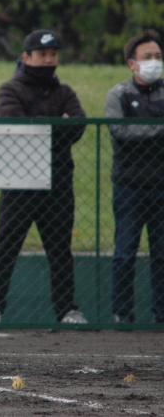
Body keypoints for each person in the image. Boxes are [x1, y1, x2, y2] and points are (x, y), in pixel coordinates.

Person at [0, 29, 87, 324]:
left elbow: (78, 124)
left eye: (53, 54)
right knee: (6, 247)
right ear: (26, 57)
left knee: (60, 251)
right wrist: (57, 126)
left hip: (58, 184)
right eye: (42, 55)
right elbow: (12, 125)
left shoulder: (65, 92)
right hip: (19, 183)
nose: (49, 60)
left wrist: (38, 127)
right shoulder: (9, 90)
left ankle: (67, 310)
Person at [106, 30, 164, 323]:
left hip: (161, 186)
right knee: (125, 252)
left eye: (158, 56)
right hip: (129, 185)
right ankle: (122, 313)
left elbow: (133, 133)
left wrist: (142, 132)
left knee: (162, 255)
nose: (154, 62)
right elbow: (120, 132)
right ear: (132, 63)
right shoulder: (118, 94)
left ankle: (161, 314)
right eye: (147, 57)